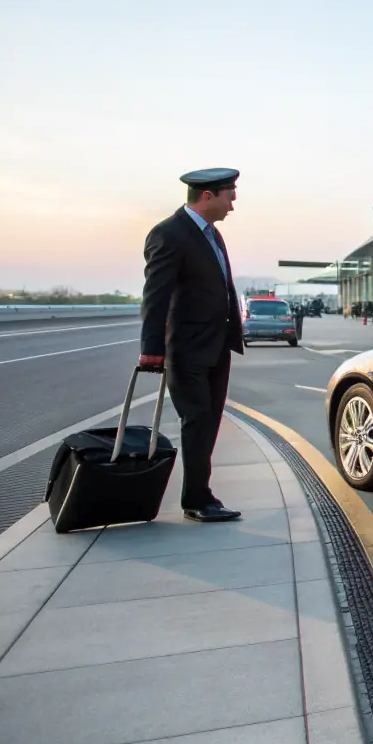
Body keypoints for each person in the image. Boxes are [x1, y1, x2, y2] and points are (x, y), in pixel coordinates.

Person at [138, 167, 244, 523]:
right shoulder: (170, 233)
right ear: (208, 195)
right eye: (230, 193)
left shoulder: (213, 236)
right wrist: (152, 348)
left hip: (216, 348)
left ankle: (199, 494)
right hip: (186, 350)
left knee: (209, 421)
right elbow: (156, 294)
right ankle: (198, 498)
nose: (234, 202)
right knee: (197, 420)